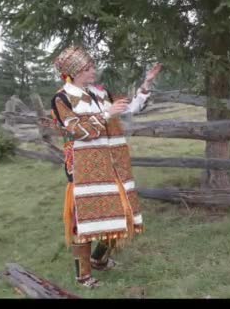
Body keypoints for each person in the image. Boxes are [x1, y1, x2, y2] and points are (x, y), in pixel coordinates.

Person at [50, 46, 162, 288]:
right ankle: (83, 276)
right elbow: (77, 131)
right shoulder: (62, 98)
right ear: (75, 71)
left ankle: (99, 260)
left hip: (114, 164)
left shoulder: (100, 93)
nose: (94, 71)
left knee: (121, 213)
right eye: (89, 68)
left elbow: (130, 109)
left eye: (92, 67)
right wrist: (106, 115)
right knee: (84, 221)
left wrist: (146, 84)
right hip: (84, 167)